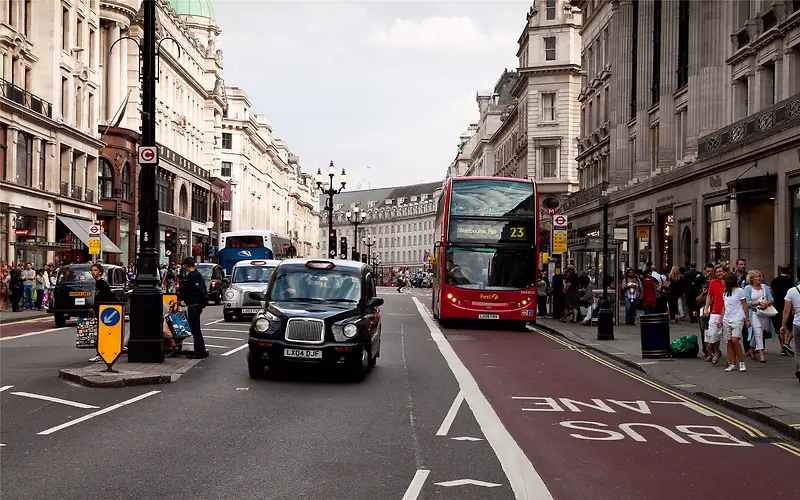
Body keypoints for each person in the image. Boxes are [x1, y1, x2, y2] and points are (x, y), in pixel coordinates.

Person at [719, 272, 750, 372]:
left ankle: (741, 362)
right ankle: (732, 363)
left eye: (724, 280)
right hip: (727, 319)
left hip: (737, 318)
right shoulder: (725, 293)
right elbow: (724, 307)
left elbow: (744, 305)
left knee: (735, 340)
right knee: (729, 342)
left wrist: (747, 319)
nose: (722, 281)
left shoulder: (740, 291)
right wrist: (720, 319)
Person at [179, 257, 208, 359]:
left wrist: (186, 301)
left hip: (194, 306)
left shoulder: (193, 276)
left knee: (195, 329)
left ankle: (200, 351)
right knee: (196, 329)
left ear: (186, 266)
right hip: (196, 305)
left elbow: (195, 291)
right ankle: (200, 350)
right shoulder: (197, 275)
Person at [88, 263, 118, 363]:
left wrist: (97, 306)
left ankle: (100, 353)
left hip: (103, 312)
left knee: (101, 334)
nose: (93, 272)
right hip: (100, 310)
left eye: (95, 270)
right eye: (92, 270)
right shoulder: (97, 283)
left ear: (100, 272)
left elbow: (105, 297)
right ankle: (101, 353)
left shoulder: (102, 283)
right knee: (100, 333)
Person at [744, 270, 774, 363]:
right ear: (751, 278)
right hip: (754, 313)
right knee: (757, 331)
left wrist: (766, 304)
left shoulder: (764, 287)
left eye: (760, 276)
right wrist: (757, 303)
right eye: (757, 276)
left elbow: (771, 299)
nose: (759, 278)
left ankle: (751, 349)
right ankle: (761, 354)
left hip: (764, 313)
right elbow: (747, 303)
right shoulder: (748, 288)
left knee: (760, 332)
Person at [703, 265, 726, 364]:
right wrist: (706, 308)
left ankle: (730, 358)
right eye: (717, 272)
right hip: (716, 311)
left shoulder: (729, 282)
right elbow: (709, 295)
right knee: (713, 334)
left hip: (728, 312)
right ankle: (717, 352)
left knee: (729, 336)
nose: (719, 273)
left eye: (720, 271)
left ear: (725, 271)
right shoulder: (713, 282)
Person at [779, 281, 800, 385]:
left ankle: (799, 371)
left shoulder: (792, 291)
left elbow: (786, 310)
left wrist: (783, 325)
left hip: (797, 324)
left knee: (798, 351)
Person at [771, 265, 794, 356]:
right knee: (792, 326)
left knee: (780, 327)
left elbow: (772, 292)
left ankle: (782, 348)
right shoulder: (790, 281)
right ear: (789, 271)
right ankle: (787, 342)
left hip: (777, 305)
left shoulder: (775, 280)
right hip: (787, 304)